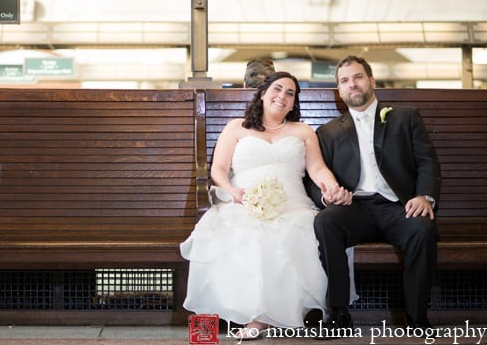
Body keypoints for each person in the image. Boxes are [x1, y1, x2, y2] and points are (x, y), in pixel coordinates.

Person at [180, 71, 356, 340]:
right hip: (244, 200)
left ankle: (276, 315)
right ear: (262, 93)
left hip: (294, 204)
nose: (282, 96)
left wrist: (331, 188)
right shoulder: (236, 127)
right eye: (277, 89)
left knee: (302, 231)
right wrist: (232, 191)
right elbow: (218, 168)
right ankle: (260, 317)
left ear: (293, 102)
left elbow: (318, 168)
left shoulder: (303, 131)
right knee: (248, 234)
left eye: (290, 93)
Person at [307, 55, 441, 332]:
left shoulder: (404, 117)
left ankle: (416, 319)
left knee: (422, 229)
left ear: (371, 81)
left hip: (399, 207)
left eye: (357, 77)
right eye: (344, 81)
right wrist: (328, 197)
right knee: (326, 221)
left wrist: (423, 196)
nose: (352, 84)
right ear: (339, 91)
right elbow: (314, 177)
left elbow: (427, 161)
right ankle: (339, 313)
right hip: (355, 210)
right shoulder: (327, 132)